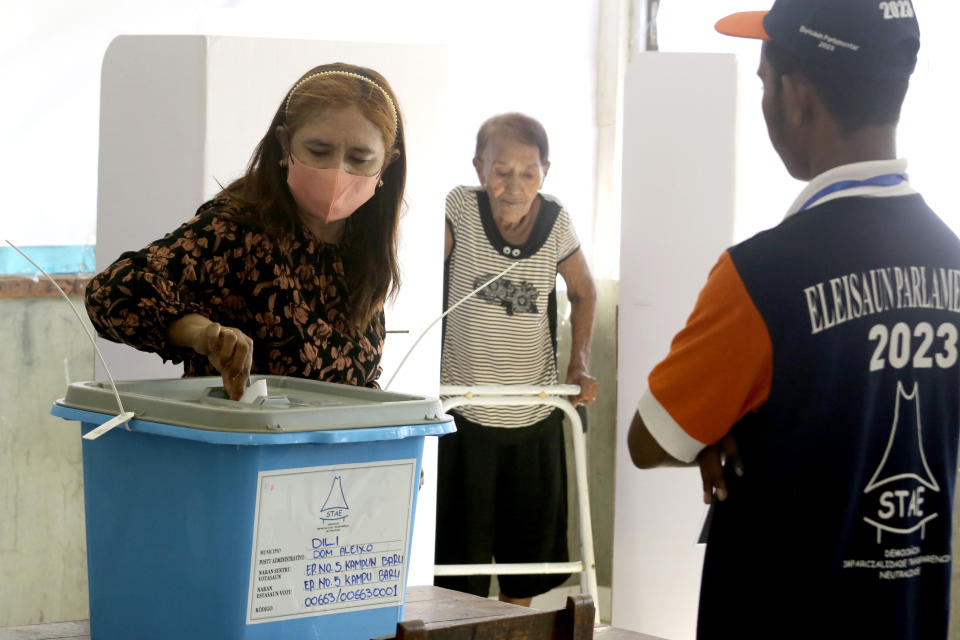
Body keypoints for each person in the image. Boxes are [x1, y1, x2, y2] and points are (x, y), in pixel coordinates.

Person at [627, 1, 959, 638]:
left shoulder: (762, 276)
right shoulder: (953, 262)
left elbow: (654, 438)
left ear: (798, 95)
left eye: (763, 82)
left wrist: (723, 427)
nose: (764, 102)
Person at [86, 63, 405, 398]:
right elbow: (111, 293)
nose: (336, 171)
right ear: (284, 143)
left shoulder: (363, 244)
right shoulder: (237, 229)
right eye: (319, 151)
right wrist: (201, 333)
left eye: (360, 158)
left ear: (386, 165)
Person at [435, 113, 599, 606]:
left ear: (545, 172)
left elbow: (585, 292)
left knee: (523, 569)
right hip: (465, 413)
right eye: (501, 171)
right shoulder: (459, 209)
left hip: (534, 413)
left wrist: (579, 365)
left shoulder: (555, 220)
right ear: (479, 167)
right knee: (456, 571)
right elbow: (420, 272)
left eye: (529, 173)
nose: (514, 186)